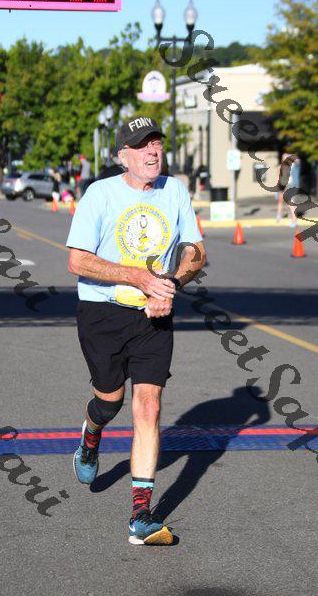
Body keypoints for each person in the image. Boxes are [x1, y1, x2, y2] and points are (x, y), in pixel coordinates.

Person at [66, 116, 206, 546]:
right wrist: (138, 277)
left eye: (156, 143)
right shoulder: (100, 194)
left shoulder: (175, 191)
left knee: (148, 407)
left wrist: (169, 285)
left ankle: (141, 517)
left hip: (153, 316)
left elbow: (196, 252)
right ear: (122, 156)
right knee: (110, 400)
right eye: (142, 145)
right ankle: (92, 435)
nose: (152, 151)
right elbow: (77, 261)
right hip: (102, 313)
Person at [276, 153, 300, 227]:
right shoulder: (289, 165)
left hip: (290, 185)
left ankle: (294, 221)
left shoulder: (291, 165)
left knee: (291, 204)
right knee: (290, 203)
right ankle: (292, 218)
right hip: (289, 185)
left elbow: (297, 160)